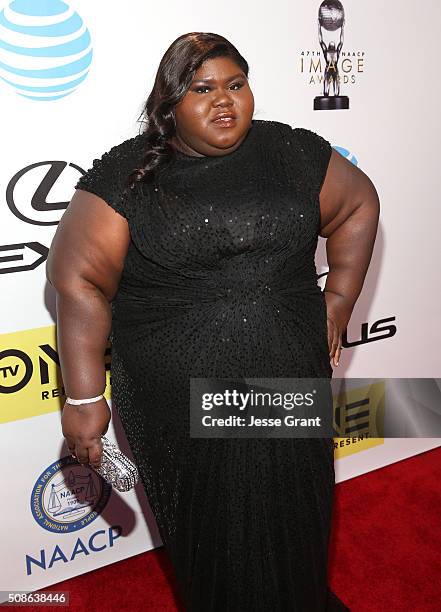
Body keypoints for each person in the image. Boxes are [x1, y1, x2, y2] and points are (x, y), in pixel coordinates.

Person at [46, 31, 379, 612]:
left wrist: (340, 301)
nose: (224, 102)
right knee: (221, 529)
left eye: (236, 85)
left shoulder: (292, 153)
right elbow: (79, 282)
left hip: (288, 378)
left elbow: (358, 204)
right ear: (169, 103)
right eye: (202, 89)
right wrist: (82, 399)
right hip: (182, 397)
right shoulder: (129, 175)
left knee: (296, 510)